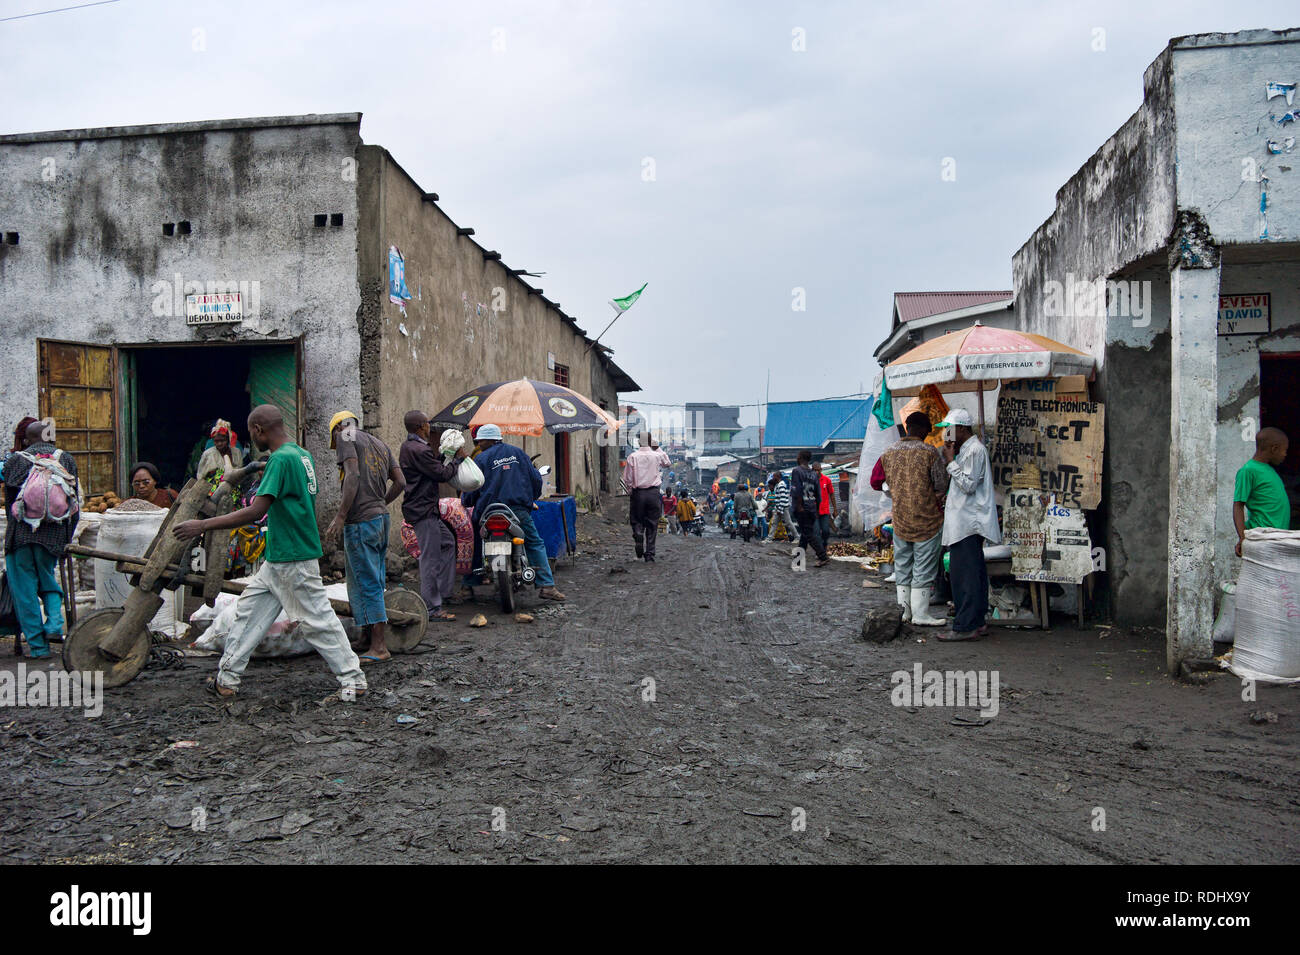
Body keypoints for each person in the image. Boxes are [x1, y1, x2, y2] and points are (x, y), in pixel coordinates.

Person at [172, 405, 366, 700]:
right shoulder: (301, 455)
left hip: (294, 556)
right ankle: (227, 679)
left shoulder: (280, 460)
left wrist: (202, 524)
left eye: (251, 432)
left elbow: (256, 510)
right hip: (280, 557)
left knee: (318, 622)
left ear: (258, 430)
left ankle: (354, 681)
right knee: (248, 615)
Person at [325, 411, 405, 662]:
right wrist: (381, 502)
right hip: (380, 519)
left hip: (361, 521)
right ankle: (366, 637)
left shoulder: (345, 436)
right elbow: (401, 482)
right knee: (370, 579)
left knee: (365, 581)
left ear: (338, 428)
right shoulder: (379, 443)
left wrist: (340, 516)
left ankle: (379, 647)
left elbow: (353, 475)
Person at [464, 424, 565, 600]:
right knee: (533, 543)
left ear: (489, 440)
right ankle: (547, 586)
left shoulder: (480, 460)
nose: (478, 445)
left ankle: (469, 585)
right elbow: (535, 480)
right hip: (517, 510)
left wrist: (467, 501)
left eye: (480, 442)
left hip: (487, 512)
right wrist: (530, 499)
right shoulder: (519, 454)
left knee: (476, 544)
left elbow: (471, 486)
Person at [3, 420, 78, 659]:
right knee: (48, 579)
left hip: (22, 535)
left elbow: (10, 502)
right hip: (54, 533)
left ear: (26, 439)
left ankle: (38, 647)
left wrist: (11, 536)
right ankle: (55, 625)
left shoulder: (16, 460)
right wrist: (67, 536)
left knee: (24, 591)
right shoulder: (65, 459)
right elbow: (75, 504)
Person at [873, 411, 948, 626]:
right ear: (923, 430)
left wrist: (896, 489)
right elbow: (941, 485)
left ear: (907, 428)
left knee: (903, 566)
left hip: (900, 519)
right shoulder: (930, 453)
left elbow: (875, 481)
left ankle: (904, 612)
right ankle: (921, 615)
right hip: (927, 520)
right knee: (923, 567)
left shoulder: (888, 452)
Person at [936, 409, 1000, 641]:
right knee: (973, 574)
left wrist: (950, 462)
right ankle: (977, 621)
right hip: (964, 523)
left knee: (965, 577)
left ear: (961, 429)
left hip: (968, 524)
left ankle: (966, 626)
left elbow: (969, 485)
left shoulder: (974, 450)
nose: (946, 433)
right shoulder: (968, 450)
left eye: (950, 428)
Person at [399, 410, 467, 620]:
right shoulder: (420, 450)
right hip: (424, 509)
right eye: (427, 423)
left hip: (424, 508)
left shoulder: (409, 447)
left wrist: (444, 456)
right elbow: (441, 474)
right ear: (420, 426)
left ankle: (443, 592)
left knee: (447, 543)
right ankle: (431, 607)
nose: (430, 426)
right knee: (429, 558)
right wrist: (458, 460)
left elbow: (433, 467)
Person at [1234, 427, 1291, 557]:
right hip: (1262, 536)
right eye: (1284, 450)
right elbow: (1238, 505)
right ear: (1274, 448)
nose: (1285, 454)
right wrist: (1243, 538)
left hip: (1277, 537)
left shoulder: (1269, 470)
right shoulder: (1248, 470)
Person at [623, 432, 670, 562]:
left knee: (637, 519)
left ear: (639, 442)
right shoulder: (656, 455)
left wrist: (630, 489)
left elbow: (627, 478)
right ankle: (649, 554)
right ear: (651, 442)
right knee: (652, 524)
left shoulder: (633, 456)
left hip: (639, 494)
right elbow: (667, 463)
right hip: (654, 494)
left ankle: (638, 534)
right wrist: (657, 447)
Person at [790, 451, 829, 566]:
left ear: (801, 458)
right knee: (805, 534)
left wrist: (799, 507)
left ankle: (823, 556)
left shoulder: (797, 471)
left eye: (798, 456)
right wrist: (816, 510)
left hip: (802, 508)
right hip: (812, 508)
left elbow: (796, 491)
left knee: (808, 534)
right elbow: (818, 494)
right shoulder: (813, 474)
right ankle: (798, 560)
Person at [813, 462, 839, 547]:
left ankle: (824, 546)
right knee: (816, 532)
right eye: (814, 470)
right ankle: (820, 551)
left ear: (821, 470)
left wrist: (835, 509)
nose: (816, 472)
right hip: (813, 512)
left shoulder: (826, 480)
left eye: (818, 470)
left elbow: (831, 494)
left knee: (825, 531)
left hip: (824, 511)